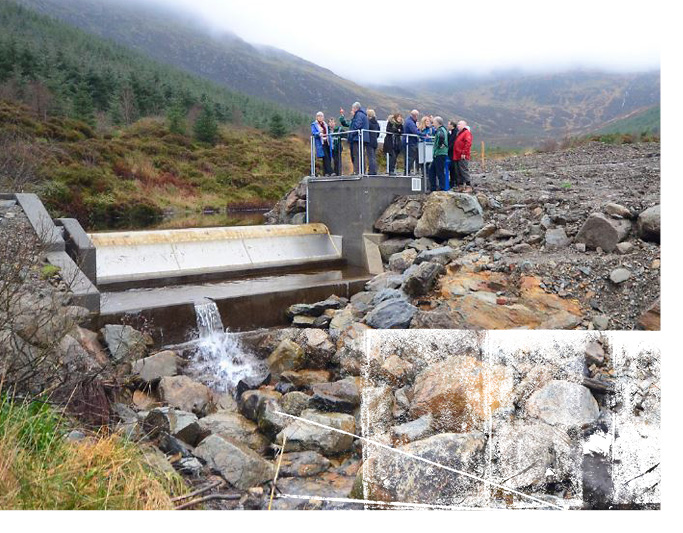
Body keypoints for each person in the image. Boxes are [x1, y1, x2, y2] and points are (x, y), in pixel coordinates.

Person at [343, 102, 369, 175]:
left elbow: (357, 125)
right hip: (362, 138)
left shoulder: (359, 115)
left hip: (358, 138)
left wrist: (351, 134)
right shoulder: (363, 114)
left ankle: (357, 171)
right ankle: (362, 171)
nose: (352, 110)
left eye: (352, 108)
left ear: (355, 108)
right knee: (361, 154)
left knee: (357, 155)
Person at [452, 119, 473, 192]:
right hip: (456, 155)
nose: (458, 126)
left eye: (459, 124)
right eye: (457, 124)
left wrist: (464, 152)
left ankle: (468, 186)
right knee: (458, 171)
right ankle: (460, 185)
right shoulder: (459, 133)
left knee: (464, 170)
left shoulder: (466, 133)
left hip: (462, 155)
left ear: (464, 125)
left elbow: (468, 143)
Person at [428, 116, 448, 191]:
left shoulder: (440, 130)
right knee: (432, 171)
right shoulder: (443, 129)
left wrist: (440, 144)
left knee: (439, 171)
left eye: (434, 122)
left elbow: (441, 136)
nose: (433, 124)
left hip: (440, 153)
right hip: (439, 154)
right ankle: (433, 187)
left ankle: (441, 187)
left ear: (437, 123)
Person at [311, 111, 332, 176]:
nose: (320, 117)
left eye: (321, 116)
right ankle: (330, 171)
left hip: (327, 142)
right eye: (319, 116)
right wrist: (319, 133)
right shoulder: (314, 124)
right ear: (316, 117)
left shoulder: (325, 124)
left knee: (328, 156)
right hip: (320, 143)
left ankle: (326, 173)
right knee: (325, 157)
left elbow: (328, 132)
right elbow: (314, 133)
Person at [404, 109, 420, 175]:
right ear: (415, 116)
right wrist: (423, 134)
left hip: (409, 141)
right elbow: (415, 131)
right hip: (410, 142)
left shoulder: (408, 121)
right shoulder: (410, 122)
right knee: (411, 157)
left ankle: (407, 171)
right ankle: (407, 172)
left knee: (409, 157)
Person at [366, 109, 380, 175]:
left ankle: (371, 171)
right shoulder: (376, 123)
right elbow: (378, 133)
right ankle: (374, 170)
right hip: (375, 141)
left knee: (370, 157)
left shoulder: (368, 122)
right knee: (373, 157)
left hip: (369, 141)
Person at [446, 119, 457, 190]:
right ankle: (453, 182)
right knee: (452, 168)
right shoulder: (452, 133)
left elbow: (452, 144)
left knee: (453, 168)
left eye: (449, 124)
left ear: (452, 126)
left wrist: (446, 150)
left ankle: (453, 182)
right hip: (451, 153)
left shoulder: (455, 133)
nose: (447, 126)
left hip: (452, 154)